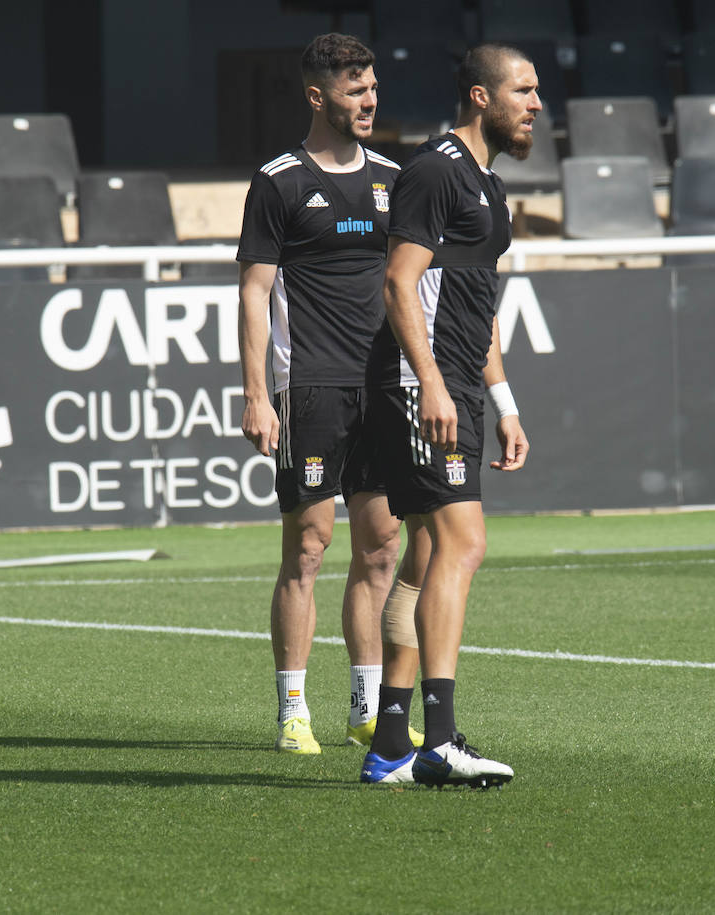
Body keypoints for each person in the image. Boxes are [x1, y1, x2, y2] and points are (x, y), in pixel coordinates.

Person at [236, 33, 424, 755]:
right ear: (317, 96)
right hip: (310, 386)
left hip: (383, 386)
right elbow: (254, 292)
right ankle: (291, 710)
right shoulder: (278, 181)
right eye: (354, 89)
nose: (369, 99)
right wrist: (257, 393)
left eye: (372, 86)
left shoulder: (394, 177)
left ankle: (365, 705)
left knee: (381, 548)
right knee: (309, 547)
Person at [358, 44, 538, 788]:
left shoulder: (487, 185)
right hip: (417, 382)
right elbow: (399, 285)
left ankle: (390, 746)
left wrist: (504, 402)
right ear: (479, 95)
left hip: (458, 383)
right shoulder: (435, 170)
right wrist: (429, 381)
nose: (534, 105)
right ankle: (440, 739)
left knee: (429, 558)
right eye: (522, 91)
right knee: (462, 545)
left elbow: (476, 307)